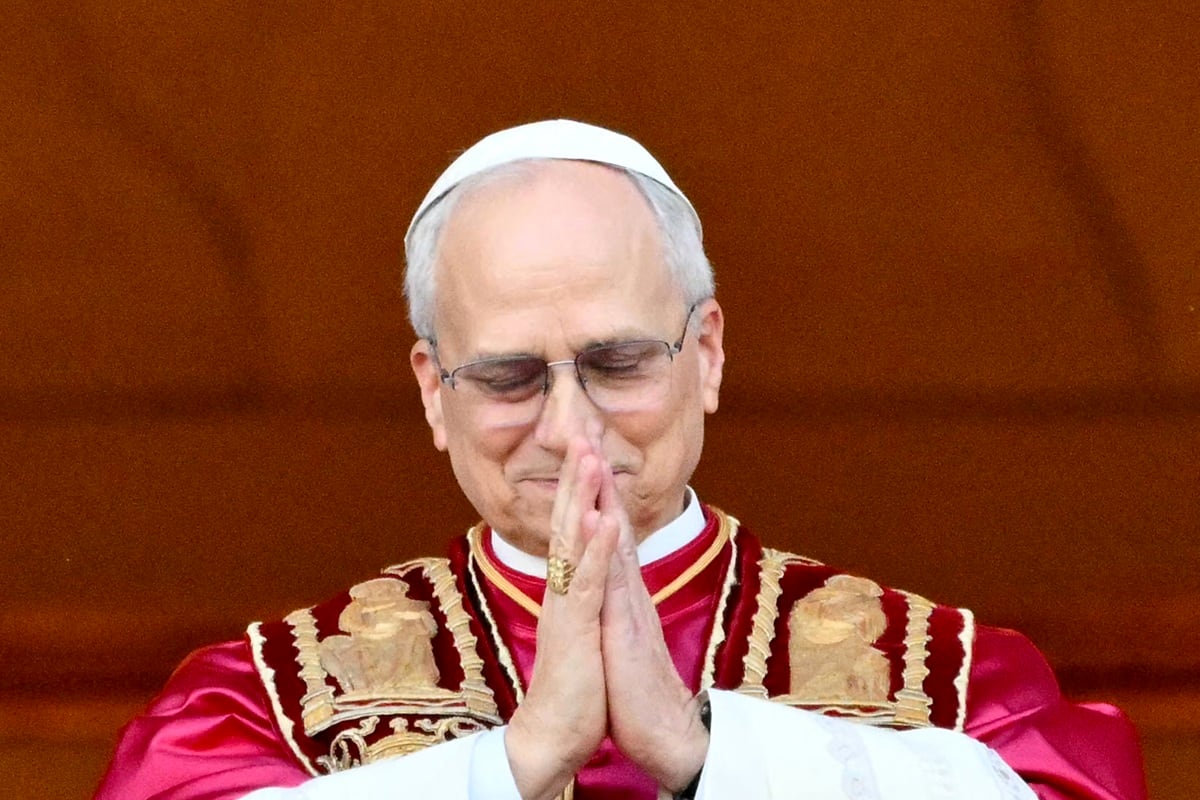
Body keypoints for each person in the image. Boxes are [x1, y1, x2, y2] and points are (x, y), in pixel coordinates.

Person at [95, 120, 1147, 800]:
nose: (570, 429)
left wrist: (709, 755)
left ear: (708, 353)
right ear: (431, 389)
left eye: (618, 363)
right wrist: (509, 764)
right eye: (509, 377)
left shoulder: (952, 682)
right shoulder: (264, 703)